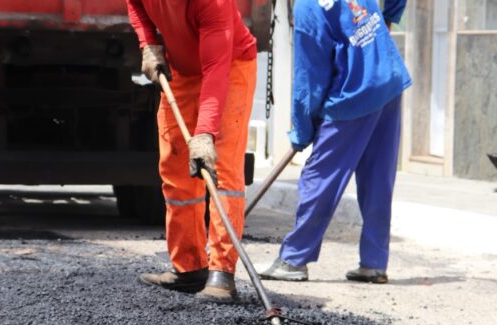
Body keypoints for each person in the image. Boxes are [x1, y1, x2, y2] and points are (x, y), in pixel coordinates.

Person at [259, 0, 411, 284]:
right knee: (378, 179)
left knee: (320, 176)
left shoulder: (307, 9)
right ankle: (374, 264)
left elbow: (309, 80)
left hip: (354, 94)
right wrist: (389, 16)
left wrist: (302, 130)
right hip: (388, 79)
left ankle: (293, 259)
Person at [125, 0, 257, 302]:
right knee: (174, 166)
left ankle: (222, 274)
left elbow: (216, 70)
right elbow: (135, 4)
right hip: (181, 70)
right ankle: (189, 267)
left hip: (230, 66)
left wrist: (205, 133)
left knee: (220, 169)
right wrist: (149, 43)